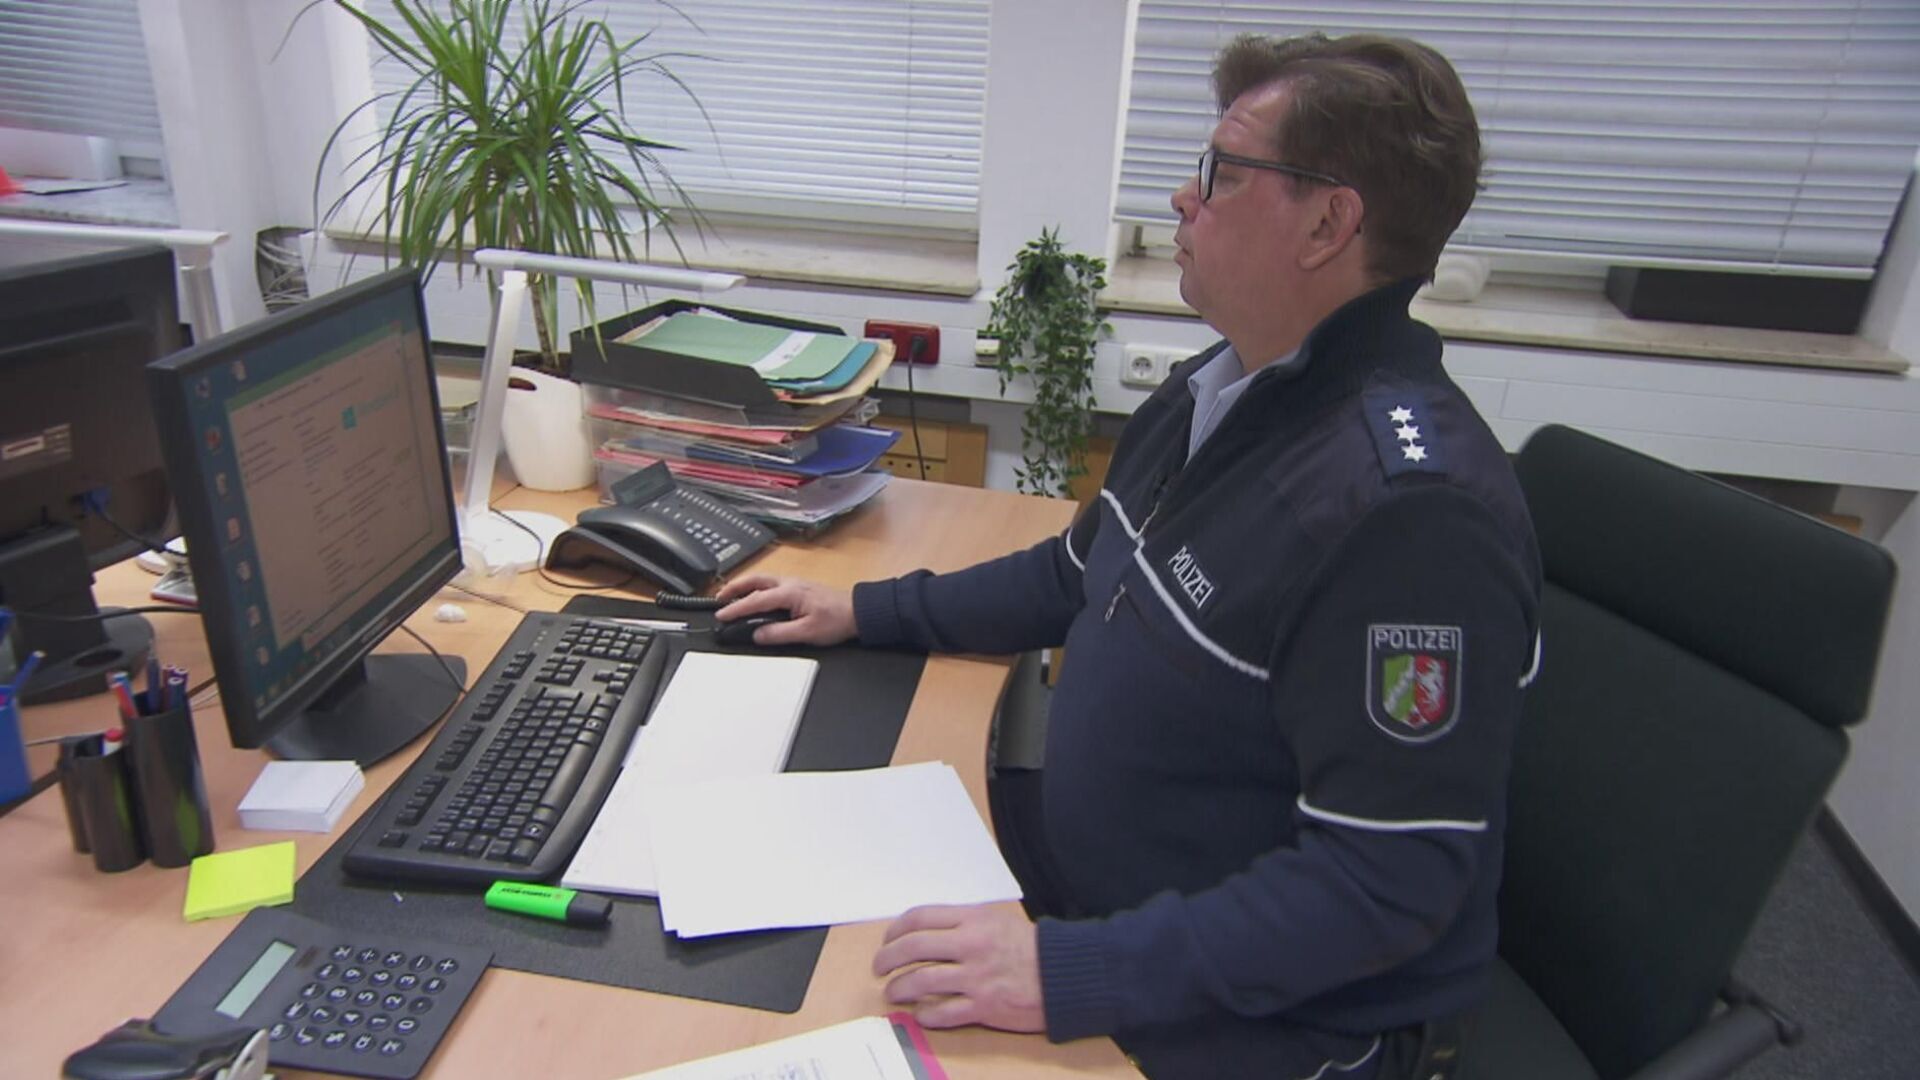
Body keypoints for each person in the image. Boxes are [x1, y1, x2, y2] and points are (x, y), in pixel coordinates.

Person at [717, 31, 1542, 1080]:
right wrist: (867, 611)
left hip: (1281, 1021)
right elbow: (1075, 572)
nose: (1183, 198)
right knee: (779, 907)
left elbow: (1382, 886)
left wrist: (1067, 972)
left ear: (1328, 224)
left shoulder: (1407, 518)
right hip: (1116, 904)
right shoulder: (1228, 385)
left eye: (1222, 173)